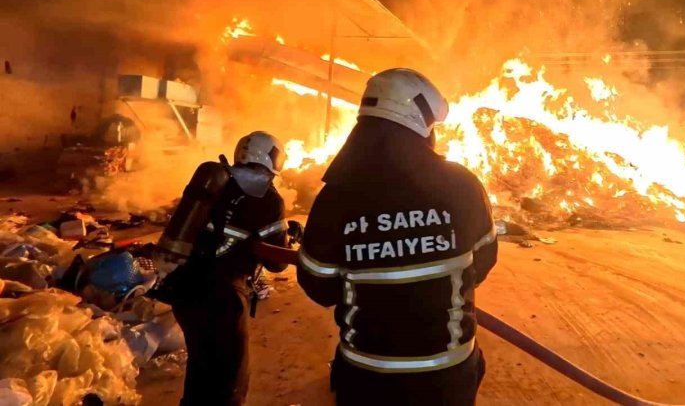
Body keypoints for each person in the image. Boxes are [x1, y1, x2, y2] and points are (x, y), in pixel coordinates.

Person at [297, 69, 498, 406]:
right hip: (446, 376)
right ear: (420, 121)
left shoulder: (335, 197)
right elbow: (484, 260)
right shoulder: (461, 185)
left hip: (367, 377)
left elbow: (318, 285)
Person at [158, 131, 290, 405]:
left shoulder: (218, 182)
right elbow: (277, 263)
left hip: (184, 286)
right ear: (272, 158)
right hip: (222, 297)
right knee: (230, 380)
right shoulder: (268, 198)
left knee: (200, 367)